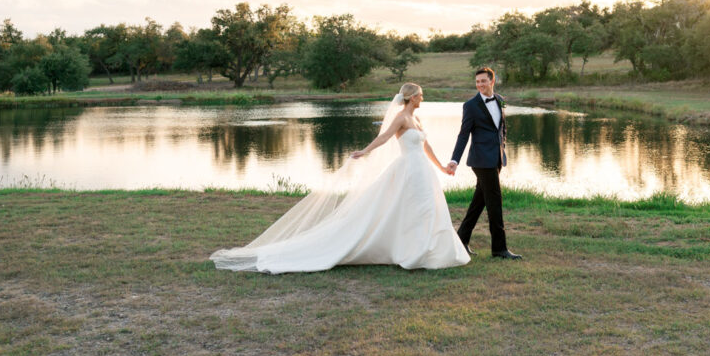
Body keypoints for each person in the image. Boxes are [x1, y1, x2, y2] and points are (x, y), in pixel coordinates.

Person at [210, 83, 470, 273]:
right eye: (420, 95)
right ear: (412, 97)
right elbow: (384, 137)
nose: (422, 98)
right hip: (408, 170)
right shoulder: (401, 118)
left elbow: (426, 147)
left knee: (427, 208)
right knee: (413, 208)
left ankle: (426, 249)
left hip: (422, 170)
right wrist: (366, 151)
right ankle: (415, 251)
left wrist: (442, 167)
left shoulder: (416, 117)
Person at [446, 67, 522, 259]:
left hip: (496, 158)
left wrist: (502, 145)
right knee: (495, 201)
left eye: (483, 81)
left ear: (492, 81)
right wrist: (455, 159)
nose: (480, 85)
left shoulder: (500, 99)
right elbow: (463, 135)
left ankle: (461, 239)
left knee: (479, 202)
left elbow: (502, 127)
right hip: (481, 160)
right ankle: (499, 249)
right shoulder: (470, 106)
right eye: (477, 81)